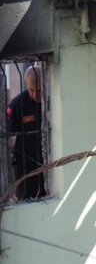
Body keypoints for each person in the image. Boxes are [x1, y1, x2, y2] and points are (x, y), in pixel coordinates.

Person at [6, 65, 46, 200]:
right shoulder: (17, 104)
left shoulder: (51, 101)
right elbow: (10, 133)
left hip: (46, 160)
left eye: (39, 91)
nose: (35, 95)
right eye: (31, 90)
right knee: (25, 200)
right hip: (25, 163)